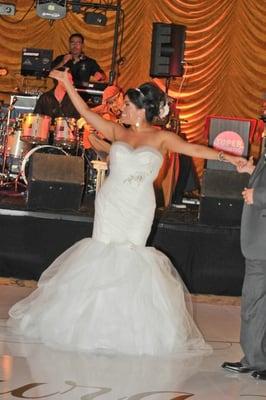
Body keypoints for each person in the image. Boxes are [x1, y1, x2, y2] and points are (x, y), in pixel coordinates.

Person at [7, 69, 247, 356]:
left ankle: (127, 328)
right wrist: (67, 84)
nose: (122, 109)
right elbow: (84, 109)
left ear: (141, 111)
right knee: (101, 252)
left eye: (128, 106)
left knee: (131, 256)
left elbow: (195, 148)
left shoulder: (162, 138)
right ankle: (91, 326)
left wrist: (231, 158)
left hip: (139, 208)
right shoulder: (116, 131)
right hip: (111, 203)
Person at [222, 153, 266, 380]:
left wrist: (257, 196)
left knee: (254, 301)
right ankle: (255, 359)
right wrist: (252, 171)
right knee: (255, 303)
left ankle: (256, 359)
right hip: (259, 241)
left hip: (262, 243)